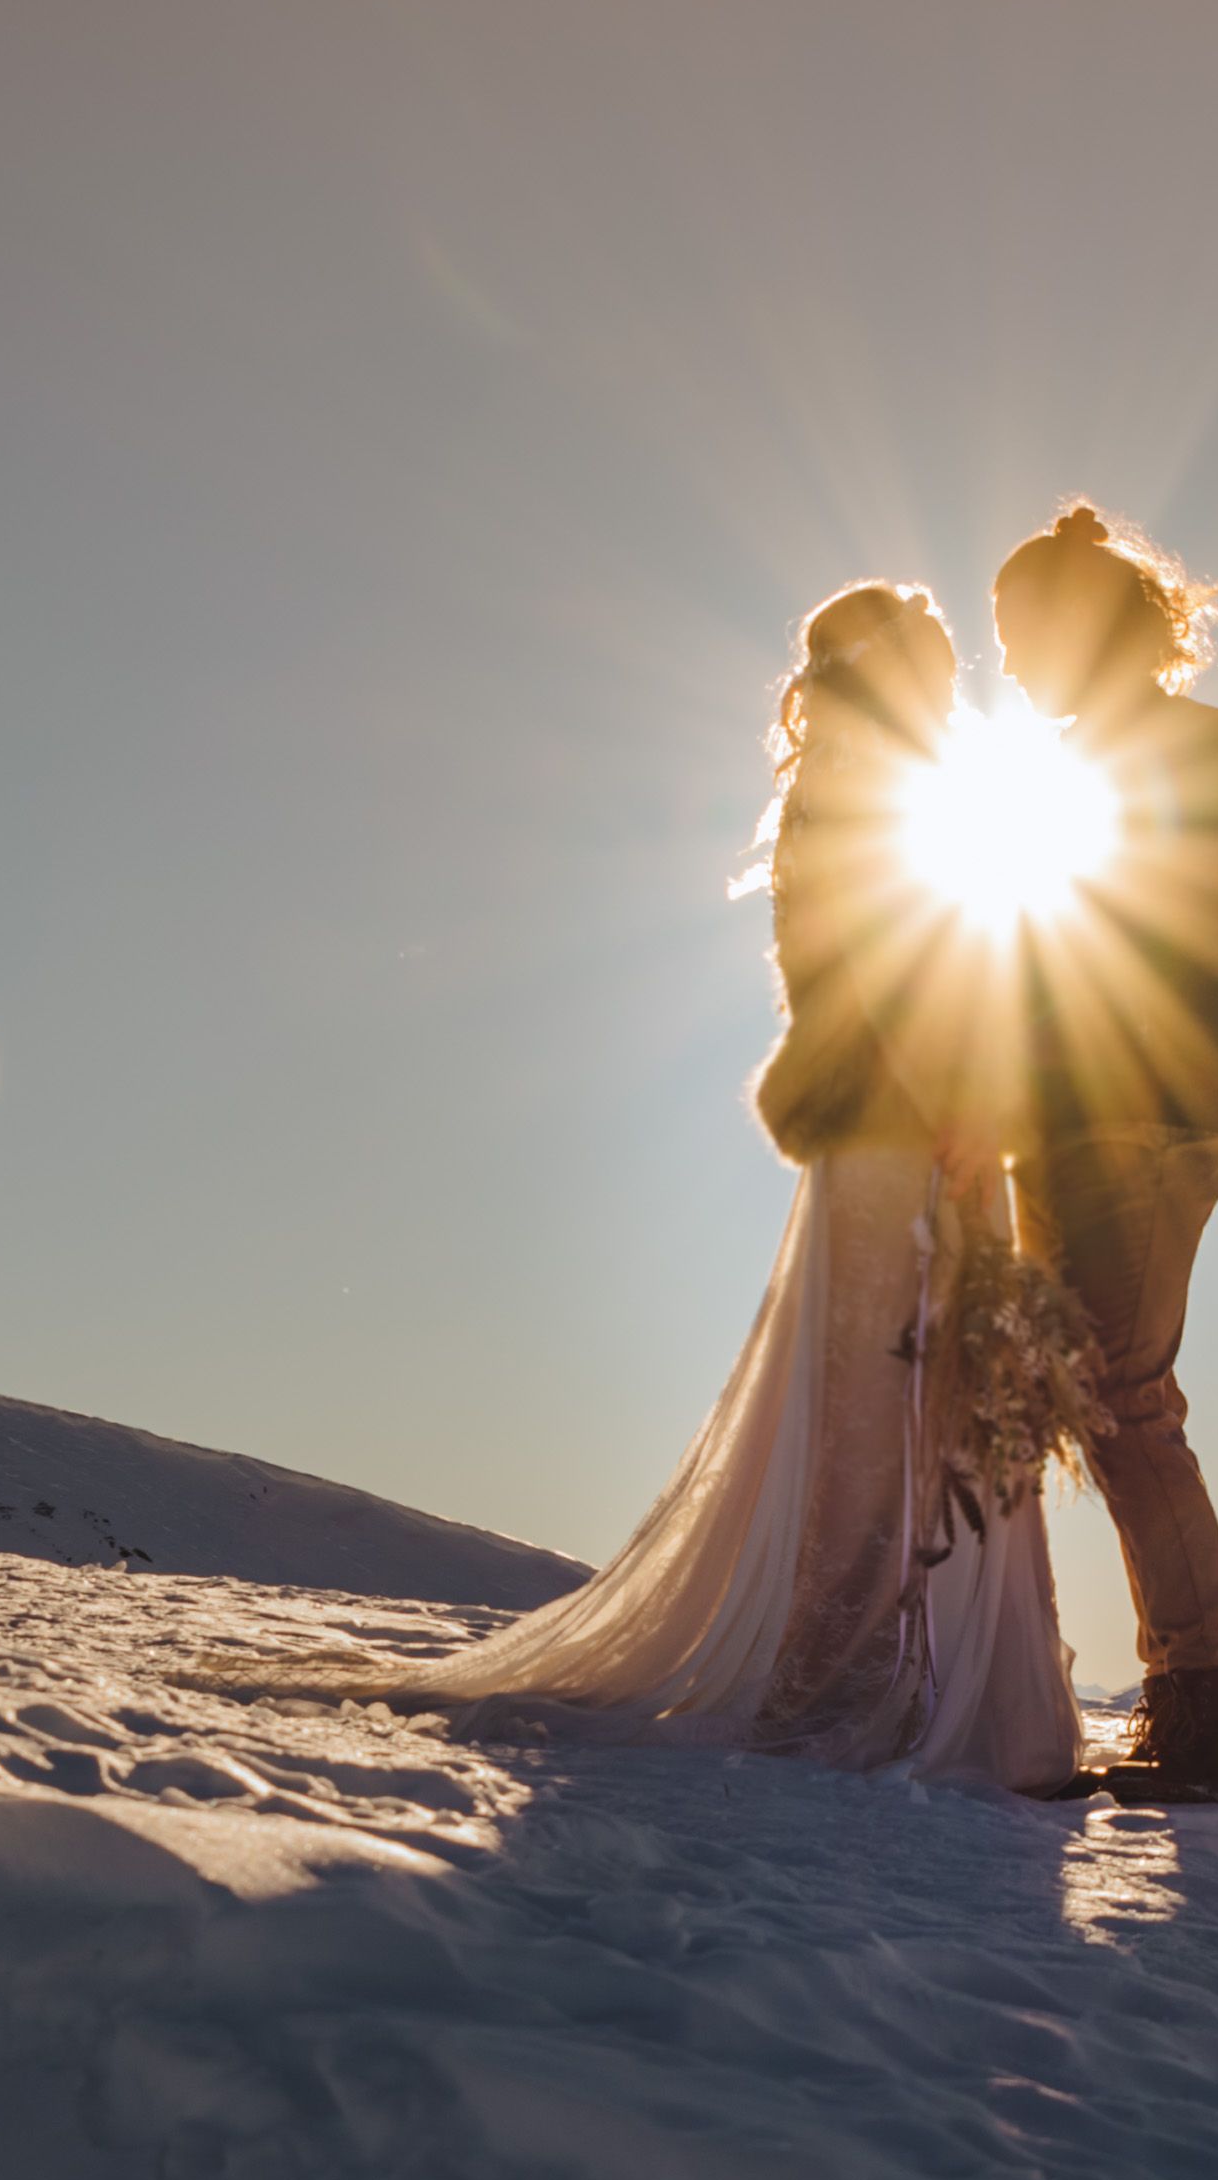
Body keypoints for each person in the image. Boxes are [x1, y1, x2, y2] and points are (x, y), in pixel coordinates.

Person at [225, 581, 1085, 1784]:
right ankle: (853, 1679)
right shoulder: (857, 794)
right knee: (880, 1402)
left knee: (950, 1397)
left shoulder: (902, 792)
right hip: (905, 1128)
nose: (949, 679)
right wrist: (945, 1101)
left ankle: (953, 1686)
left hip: (942, 1124)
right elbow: (868, 967)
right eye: (931, 659)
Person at [991, 504, 1218, 1804]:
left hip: (1143, 1121)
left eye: (1021, 633)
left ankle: (1207, 1712)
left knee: (1124, 1402)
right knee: (1096, 1410)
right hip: (1068, 1123)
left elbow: (1213, 917)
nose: (1012, 662)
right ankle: (1178, 1699)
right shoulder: (1068, 765)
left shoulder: (1188, 744)